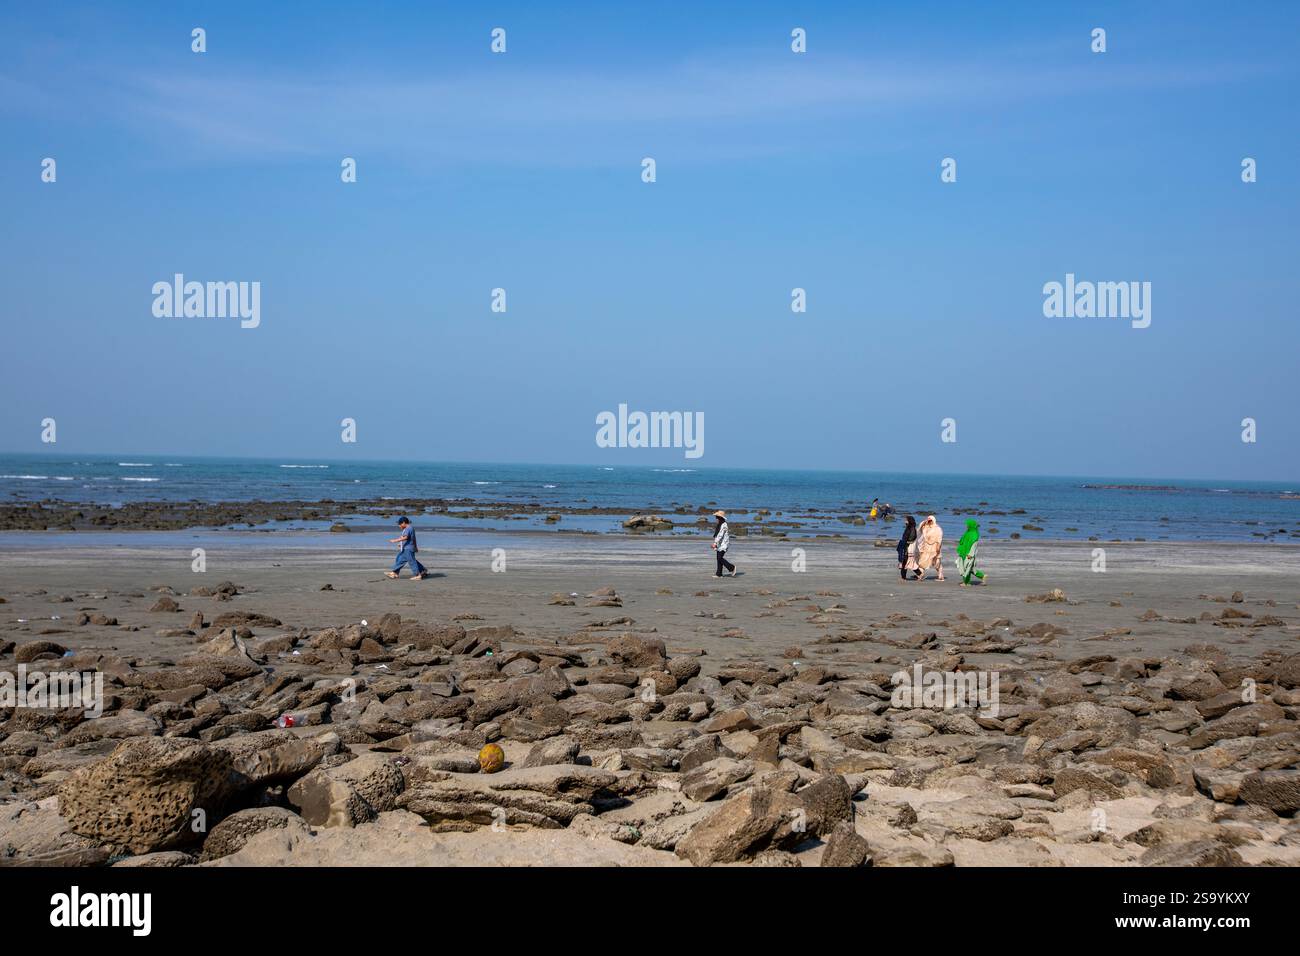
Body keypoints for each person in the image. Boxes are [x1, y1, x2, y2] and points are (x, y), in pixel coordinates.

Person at [386, 516, 426, 580]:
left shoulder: (408, 528)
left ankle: (418, 575)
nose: (399, 526)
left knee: (411, 561)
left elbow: (406, 537)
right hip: (407, 548)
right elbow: (412, 539)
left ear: (404, 523)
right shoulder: (409, 528)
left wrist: (395, 540)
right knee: (400, 560)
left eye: (400, 524)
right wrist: (401, 544)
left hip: (408, 548)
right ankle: (394, 573)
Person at [955, 518, 987, 586]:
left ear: (971, 525)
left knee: (967, 568)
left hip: (969, 554)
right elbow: (963, 542)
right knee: (971, 569)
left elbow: (974, 545)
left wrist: (970, 554)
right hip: (964, 552)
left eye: (968, 525)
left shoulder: (974, 534)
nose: (967, 526)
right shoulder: (967, 532)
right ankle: (982, 576)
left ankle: (966, 582)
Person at [916, 515, 945, 581]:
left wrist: (938, 548)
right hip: (926, 547)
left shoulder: (938, 529)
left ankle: (941, 576)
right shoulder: (926, 527)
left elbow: (939, 539)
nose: (929, 522)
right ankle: (921, 575)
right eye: (928, 520)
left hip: (935, 547)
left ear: (934, 520)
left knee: (937, 563)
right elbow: (919, 529)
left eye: (930, 520)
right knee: (922, 561)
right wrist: (925, 521)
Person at [711, 510, 736, 577]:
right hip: (719, 544)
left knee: (720, 558)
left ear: (720, 518)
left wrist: (715, 543)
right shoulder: (719, 524)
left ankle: (732, 567)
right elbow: (717, 535)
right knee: (718, 558)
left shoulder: (724, 525)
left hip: (724, 544)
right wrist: (715, 543)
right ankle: (719, 574)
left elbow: (720, 535)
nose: (716, 518)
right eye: (716, 517)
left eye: (717, 517)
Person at [897, 515, 919, 580]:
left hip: (908, 547)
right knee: (906, 562)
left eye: (906, 520)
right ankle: (904, 577)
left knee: (905, 561)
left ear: (909, 521)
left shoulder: (911, 528)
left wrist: (905, 543)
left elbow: (912, 538)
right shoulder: (909, 527)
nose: (905, 521)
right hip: (906, 546)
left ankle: (919, 574)